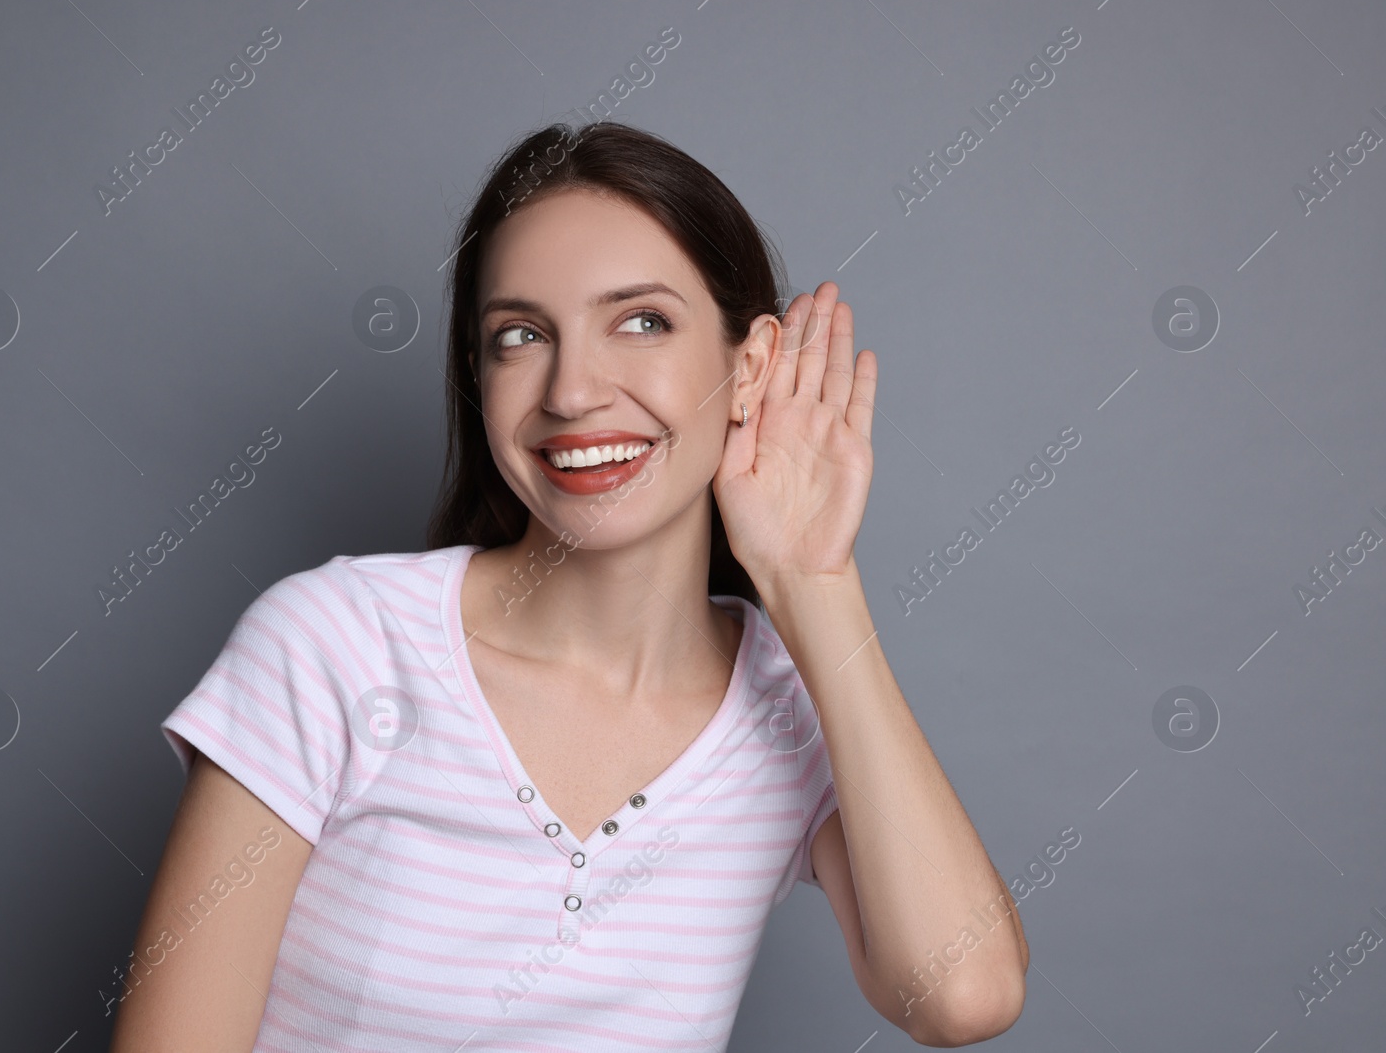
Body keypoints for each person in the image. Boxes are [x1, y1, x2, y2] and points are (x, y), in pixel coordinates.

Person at [109, 120, 1029, 1051]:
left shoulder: (787, 707)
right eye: (520, 335)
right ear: (479, 375)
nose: (573, 391)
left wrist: (812, 581)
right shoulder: (334, 646)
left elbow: (964, 994)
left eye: (642, 321)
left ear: (748, 367)